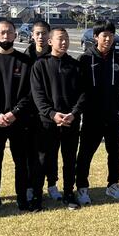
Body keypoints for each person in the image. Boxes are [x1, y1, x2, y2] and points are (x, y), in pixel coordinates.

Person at [0, 19, 36, 214]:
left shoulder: (25, 61)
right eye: (2, 32)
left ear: (15, 34)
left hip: (19, 121)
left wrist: (14, 113)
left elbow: (30, 94)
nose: (6, 36)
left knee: (22, 162)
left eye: (9, 32)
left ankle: (22, 198)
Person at [32, 27, 85, 210]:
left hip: (70, 121)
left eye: (66, 39)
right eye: (60, 38)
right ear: (50, 41)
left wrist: (74, 113)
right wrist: (52, 114)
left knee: (69, 159)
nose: (64, 42)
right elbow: (38, 95)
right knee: (43, 159)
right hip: (47, 122)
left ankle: (69, 193)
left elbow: (83, 94)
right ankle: (37, 195)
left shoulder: (75, 65)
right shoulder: (40, 65)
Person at [76, 20, 119, 202]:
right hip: (92, 116)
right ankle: (82, 188)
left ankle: (113, 185)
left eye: (111, 36)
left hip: (114, 115)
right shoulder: (84, 59)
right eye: (104, 36)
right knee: (85, 153)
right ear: (96, 37)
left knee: (114, 152)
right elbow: (79, 89)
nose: (108, 39)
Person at [23, 19, 55, 201]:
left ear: (49, 35)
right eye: (38, 33)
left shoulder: (55, 56)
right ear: (32, 35)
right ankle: (30, 185)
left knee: (51, 151)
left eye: (44, 33)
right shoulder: (25, 57)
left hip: (50, 113)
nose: (41, 37)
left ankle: (52, 184)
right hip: (29, 113)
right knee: (30, 152)